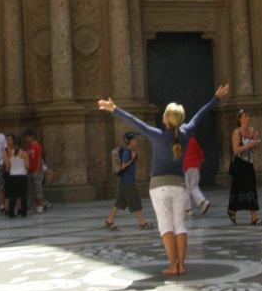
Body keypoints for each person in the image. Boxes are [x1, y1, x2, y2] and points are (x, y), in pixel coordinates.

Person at [98, 84, 229, 275]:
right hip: (179, 186)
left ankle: (173, 266)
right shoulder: (185, 134)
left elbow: (135, 122)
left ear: (166, 118)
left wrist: (115, 109)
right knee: (180, 225)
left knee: (166, 226)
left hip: (158, 186)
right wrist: (216, 98)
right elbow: (200, 116)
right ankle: (182, 266)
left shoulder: (158, 135)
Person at [105, 131, 153, 231]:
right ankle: (142, 223)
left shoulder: (130, 151)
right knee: (136, 201)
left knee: (120, 202)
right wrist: (132, 159)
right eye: (134, 139)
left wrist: (134, 157)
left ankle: (109, 220)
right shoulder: (127, 152)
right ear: (130, 141)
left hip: (126, 181)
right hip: (127, 182)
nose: (136, 141)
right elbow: (123, 166)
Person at [227, 109, 262, 225]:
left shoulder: (252, 131)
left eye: (248, 115)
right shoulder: (237, 132)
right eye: (245, 116)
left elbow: (256, 148)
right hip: (240, 163)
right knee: (243, 188)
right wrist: (250, 144)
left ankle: (233, 210)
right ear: (240, 119)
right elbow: (236, 150)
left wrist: (255, 141)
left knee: (246, 188)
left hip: (249, 163)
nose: (248, 118)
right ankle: (253, 217)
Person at [183, 135, 210, 218]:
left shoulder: (180, 140)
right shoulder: (194, 140)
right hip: (195, 165)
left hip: (185, 166)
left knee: (185, 188)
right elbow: (200, 153)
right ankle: (203, 201)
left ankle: (188, 209)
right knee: (194, 186)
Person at [24, 129, 45, 213]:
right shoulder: (28, 147)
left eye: (28, 137)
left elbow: (39, 159)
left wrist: (38, 170)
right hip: (29, 170)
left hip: (36, 170)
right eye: (26, 138)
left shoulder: (37, 146)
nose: (27, 139)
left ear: (32, 136)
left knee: (38, 188)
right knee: (32, 189)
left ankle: (40, 205)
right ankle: (36, 204)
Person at [7, 137, 29, 218]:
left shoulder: (10, 153)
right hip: (22, 175)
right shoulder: (24, 153)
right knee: (23, 195)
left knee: (13, 195)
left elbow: (8, 165)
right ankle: (24, 212)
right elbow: (28, 165)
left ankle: (11, 212)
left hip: (12, 176)